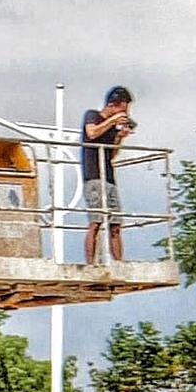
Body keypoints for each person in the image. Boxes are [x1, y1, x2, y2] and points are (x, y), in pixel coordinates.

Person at [82, 85, 135, 264]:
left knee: (116, 224)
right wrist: (112, 122)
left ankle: (119, 262)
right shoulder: (92, 116)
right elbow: (91, 133)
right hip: (94, 176)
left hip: (109, 177)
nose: (125, 112)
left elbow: (112, 154)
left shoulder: (111, 127)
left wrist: (120, 136)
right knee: (95, 222)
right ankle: (91, 263)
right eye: (123, 108)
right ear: (113, 104)